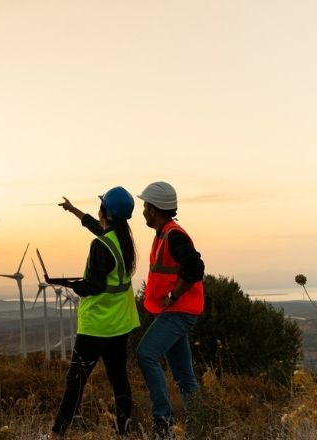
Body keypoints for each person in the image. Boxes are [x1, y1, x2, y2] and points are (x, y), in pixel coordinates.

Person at [47, 186, 141, 437]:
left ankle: (58, 433)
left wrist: (71, 285)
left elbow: (94, 286)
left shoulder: (100, 245)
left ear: (106, 213)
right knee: (119, 379)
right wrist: (73, 210)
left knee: (75, 381)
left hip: (96, 326)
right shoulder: (122, 240)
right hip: (120, 324)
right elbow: (94, 226)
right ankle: (124, 429)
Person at [135, 181, 205, 439]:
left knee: (145, 354)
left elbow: (195, 267)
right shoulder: (164, 234)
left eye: (145, 206)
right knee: (184, 376)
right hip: (175, 312)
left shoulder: (173, 235)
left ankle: (163, 421)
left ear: (153, 210)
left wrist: (173, 295)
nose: (143, 211)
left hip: (179, 312)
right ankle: (201, 422)